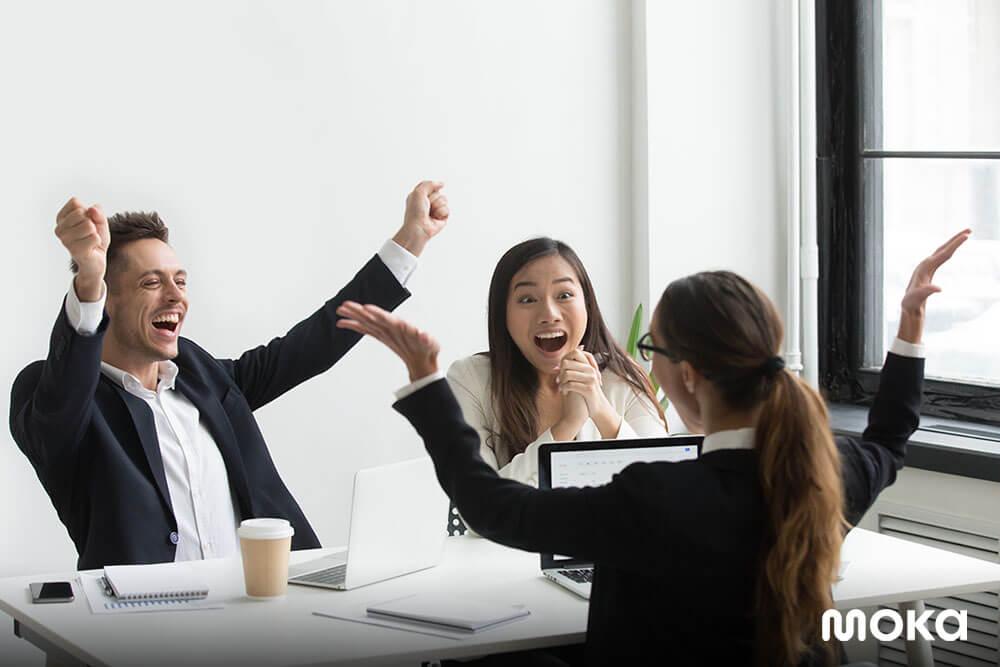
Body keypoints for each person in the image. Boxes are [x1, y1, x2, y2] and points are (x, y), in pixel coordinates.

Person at [335, 228, 970, 666]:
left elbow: (493, 506)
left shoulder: (653, 498)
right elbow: (890, 438)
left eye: (654, 349)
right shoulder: (835, 472)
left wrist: (423, 380)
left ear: (685, 376)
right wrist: (908, 327)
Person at [10, 181, 449, 570]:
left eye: (181, 281)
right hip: (143, 632)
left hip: (261, 612)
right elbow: (63, 403)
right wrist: (89, 277)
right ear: (108, 298)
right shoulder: (52, 398)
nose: (175, 296)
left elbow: (312, 345)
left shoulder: (204, 379)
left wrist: (409, 242)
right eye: (151, 282)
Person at [445, 238, 667, 487]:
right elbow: (479, 505)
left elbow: (662, 488)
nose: (549, 314)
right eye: (527, 299)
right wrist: (567, 426)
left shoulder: (622, 377)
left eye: (564, 295)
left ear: (587, 305)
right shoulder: (470, 379)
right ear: (502, 314)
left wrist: (600, 408)